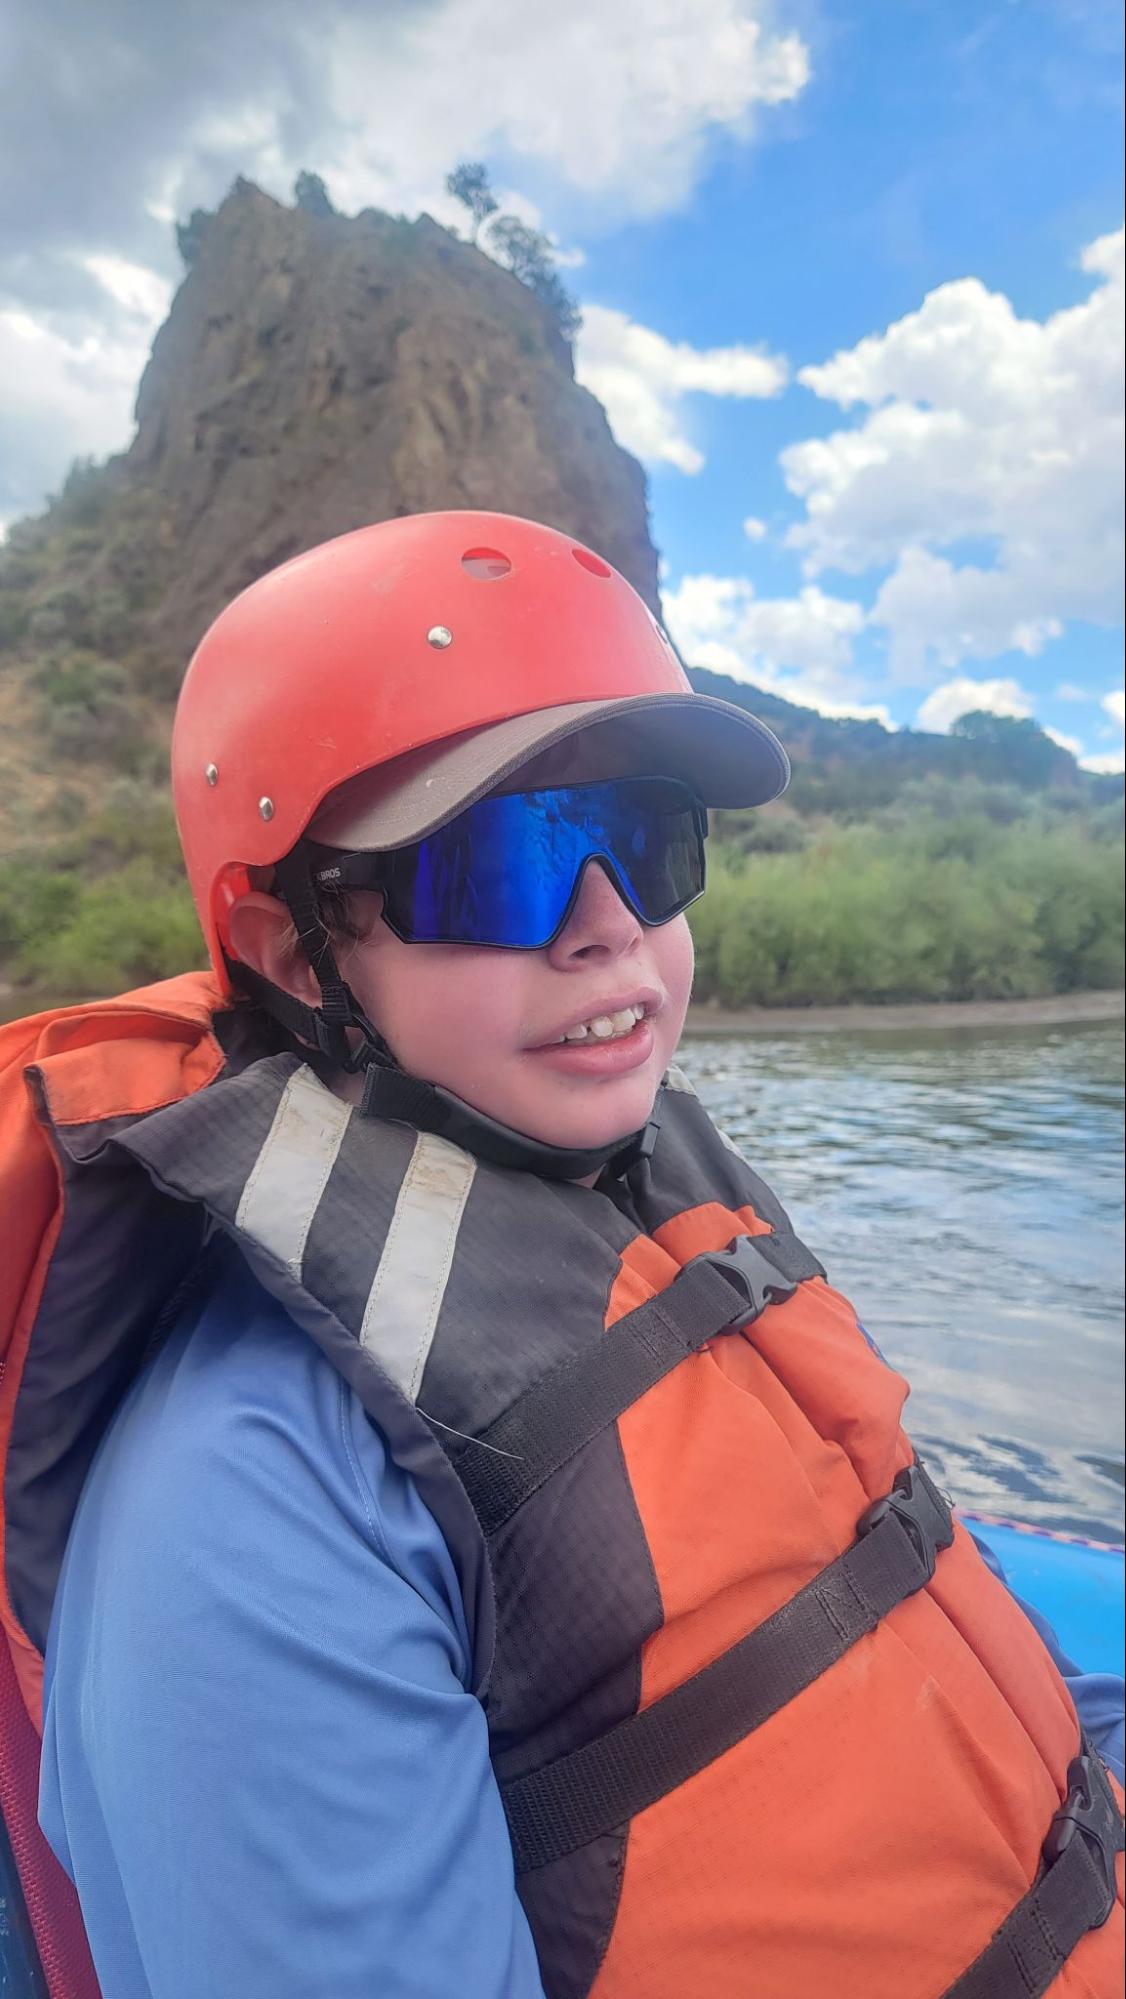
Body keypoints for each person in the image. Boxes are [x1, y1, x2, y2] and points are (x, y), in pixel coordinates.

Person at [0, 511, 1120, 1999]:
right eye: (501, 865)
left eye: (642, 843)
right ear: (289, 951)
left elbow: (906, 1590)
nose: (605, 929)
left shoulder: (654, 1210)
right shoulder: (250, 1495)